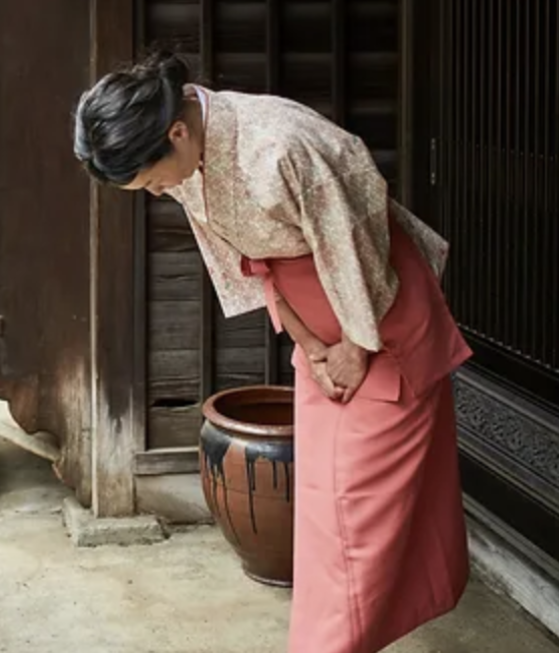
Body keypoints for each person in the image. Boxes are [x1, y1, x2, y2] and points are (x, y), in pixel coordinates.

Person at [73, 50, 472, 653]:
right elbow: (246, 262)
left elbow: (355, 246)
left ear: (175, 132)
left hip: (378, 322)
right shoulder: (186, 153)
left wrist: (356, 348)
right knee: (320, 513)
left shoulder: (279, 146)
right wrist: (310, 345)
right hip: (321, 337)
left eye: (153, 181)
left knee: (356, 516)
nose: (159, 194)